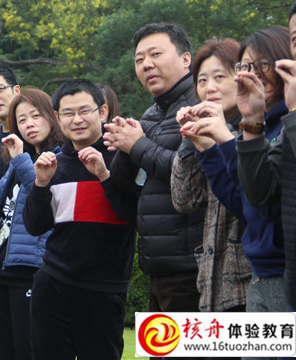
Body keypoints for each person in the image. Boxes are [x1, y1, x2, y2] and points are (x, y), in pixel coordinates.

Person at [24, 79, 137, 360]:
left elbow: (134, 215)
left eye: (85, 111)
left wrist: (104, 176)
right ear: (57, 117)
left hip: (103, 288)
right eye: (68, 113)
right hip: (53, 283)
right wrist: (40, 184)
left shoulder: (124, 156)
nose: (77, 120)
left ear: (102, 112)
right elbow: (35, 226)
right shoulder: (54, 163)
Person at [104, 23, 205, 317]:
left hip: (192, 265)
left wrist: (137, 145)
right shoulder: (152, 113)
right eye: (139, 59)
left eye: (155, 54)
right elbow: (123, 182)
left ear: (186, 59)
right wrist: (125, 144)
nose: (146, 64)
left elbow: (191, 175)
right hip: (158, 264)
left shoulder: (200, 105)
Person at [0, 88, 63, 360]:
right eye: (22, 120)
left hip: (30, 268)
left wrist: (21, 159)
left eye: (35, 116)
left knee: (27, 347)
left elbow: (43, 197)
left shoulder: (60, 157)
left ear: (52, 117)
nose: (29, 124)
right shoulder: (19, 160)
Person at [170, 37, 254, 315]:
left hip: (250, 286)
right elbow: (184, 200)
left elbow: (253, 200)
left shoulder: (256, 132)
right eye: (202, 80)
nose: (210, 88)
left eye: (219, 77)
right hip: (213, 286)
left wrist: (224, 137)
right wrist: (189, 140)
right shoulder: (207, 131)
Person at [236, 17, 296, 314]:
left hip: (286, 269)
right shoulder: (268, 125)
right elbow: (259, 194)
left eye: (263, 64)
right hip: (261, 271)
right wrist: (251, 121)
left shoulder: (289, 119)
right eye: (246, 66)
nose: (254, 74)